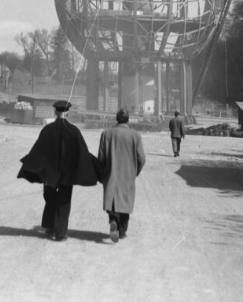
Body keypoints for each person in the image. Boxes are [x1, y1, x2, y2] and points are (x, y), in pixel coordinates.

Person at [17, 100, 99, 241]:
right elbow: (82, 153)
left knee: (49, 198)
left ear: (55, 112)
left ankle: (49, 228)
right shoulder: (74, 131)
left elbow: (39, 151)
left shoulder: (47, 130)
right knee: (64, 201)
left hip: (50, 174)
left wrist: (29, 164)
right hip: (67, 174)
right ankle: (60, 232)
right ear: (67, 112)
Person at [97, 107, 146, 243]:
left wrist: (102, 174)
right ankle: (122, 231)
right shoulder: (135, 135)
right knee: (125, 202)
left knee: (112, 201)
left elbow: (100, 158)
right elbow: (142, 158)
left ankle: (113, 219)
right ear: (128, 119)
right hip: (128, 175)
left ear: (116, 119)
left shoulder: (106, 134)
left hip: (110, 174)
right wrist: (135, 172)